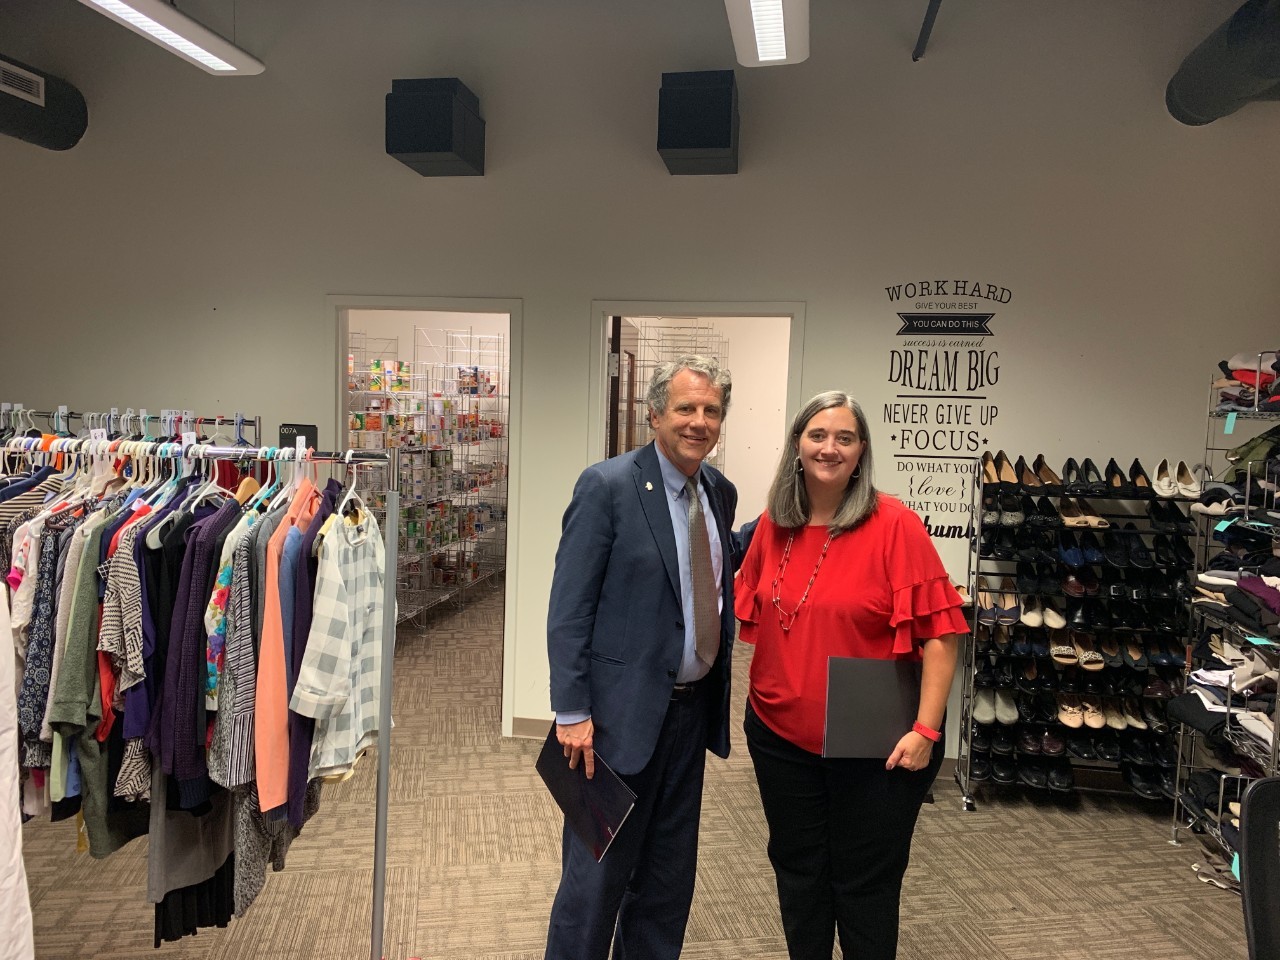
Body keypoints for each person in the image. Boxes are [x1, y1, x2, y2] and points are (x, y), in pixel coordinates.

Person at [734, 390, 966, 960]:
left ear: (861, 452)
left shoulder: (894, 525)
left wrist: (927, 731)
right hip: (779, 736)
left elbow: (942, 636)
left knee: (864, 886)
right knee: (798, 872)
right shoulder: (773, 524)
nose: (829, 448)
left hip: (876, 745)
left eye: (844, 437)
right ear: (797, 445)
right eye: (817, 435)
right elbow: (754, 610)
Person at [543, 355, 738, 960]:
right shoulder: (607, 487)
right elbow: (569, 608)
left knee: (666, 884)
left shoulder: (719, 493)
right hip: (613, 725)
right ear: (653, 414)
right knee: (595, 887)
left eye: (711, 410)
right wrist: (571, 710)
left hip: (688, 719)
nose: (698, 422)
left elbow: (711, 570)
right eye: (685, 408)